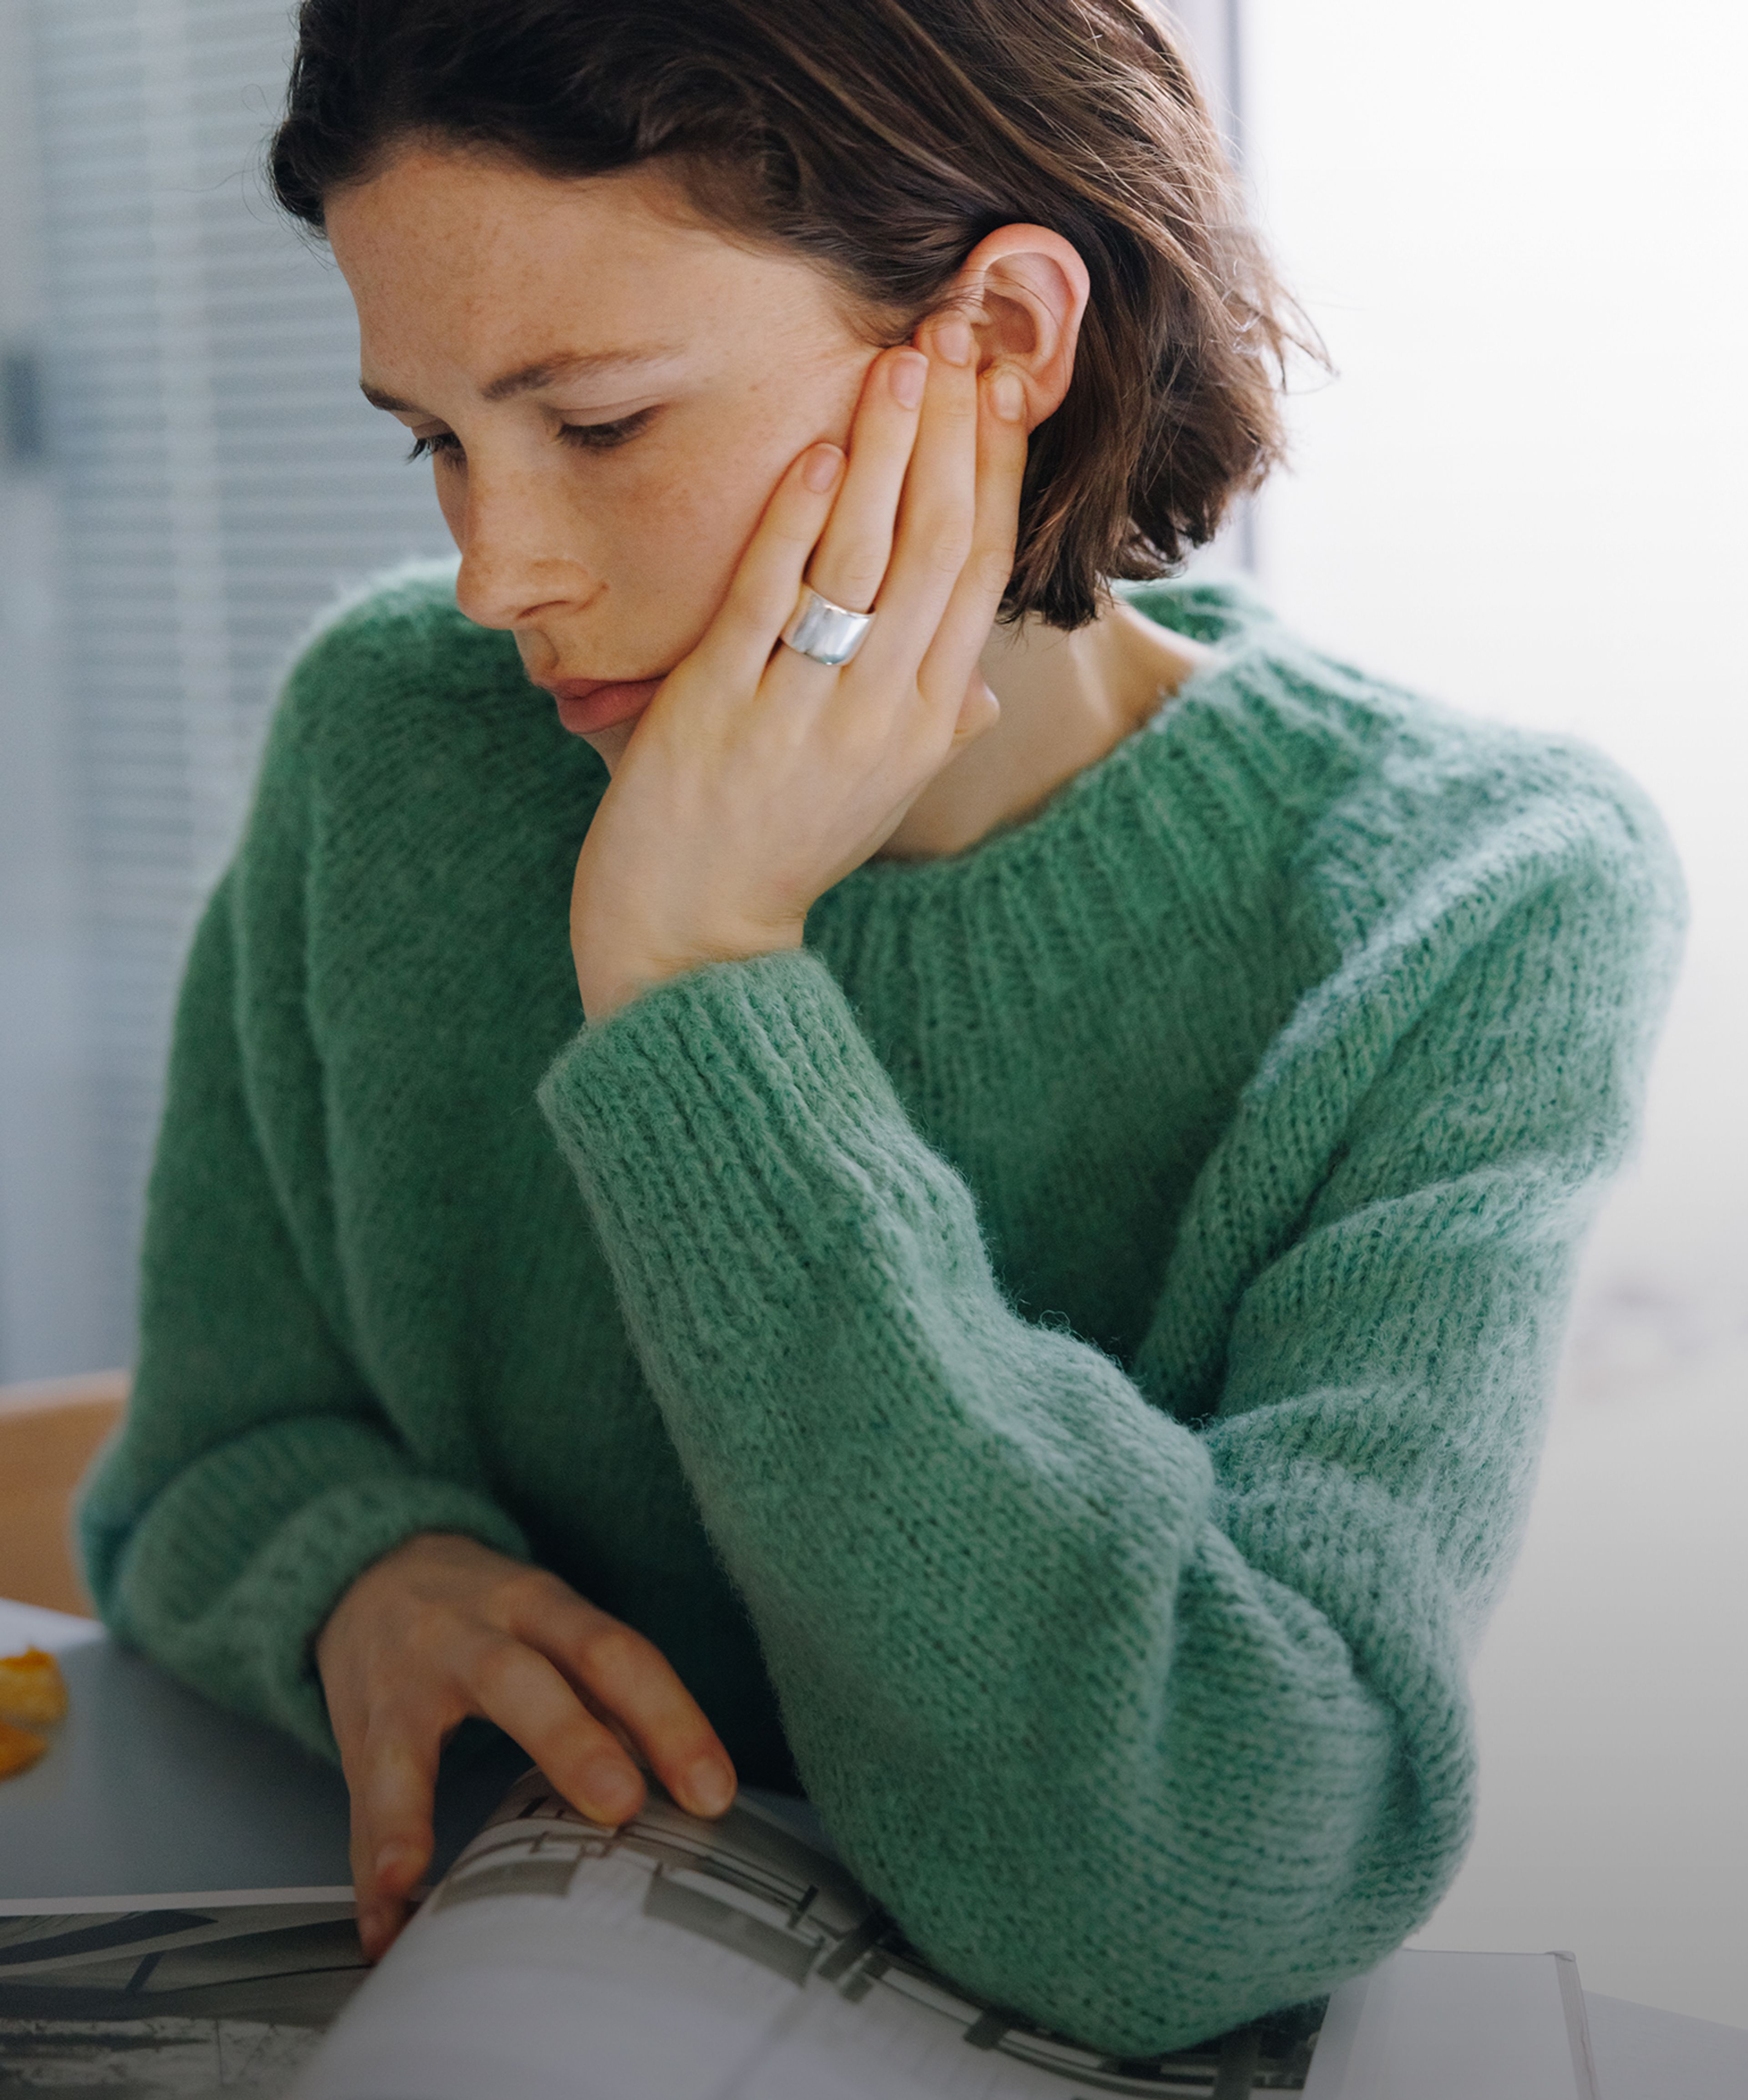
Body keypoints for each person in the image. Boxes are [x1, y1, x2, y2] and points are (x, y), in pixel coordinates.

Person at [77, 0, 1683, 2059]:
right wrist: (351, 1577)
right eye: (438, 439)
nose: (498, 574)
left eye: (600, 424)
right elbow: (212, 1450)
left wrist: (703, 985)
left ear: (1005, 342)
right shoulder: (392, 745)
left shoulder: (1468, 899)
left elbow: (1219, 1876)